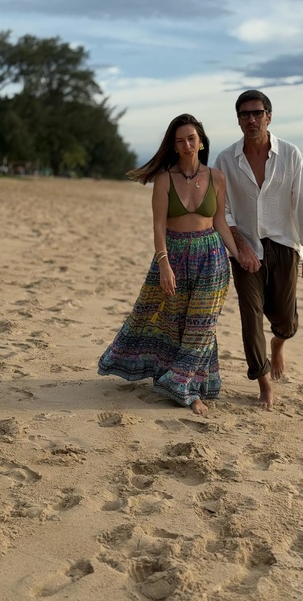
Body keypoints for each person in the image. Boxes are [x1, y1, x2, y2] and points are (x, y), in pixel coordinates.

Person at [98, 113, 240, 415]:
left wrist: (240, 256)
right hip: (173, 254)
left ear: (201, 141)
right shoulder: (164, 179)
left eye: (191, 138)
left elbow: (220, 222)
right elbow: (158, 226)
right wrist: (164, 265)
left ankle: (183, 385)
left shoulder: (217, 177)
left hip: (212, 256)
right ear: (174, 146)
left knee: (202, 324)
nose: (187, 145)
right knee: (172, 322)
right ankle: (183, 381)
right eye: (180, 141)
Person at [214, 90, 303, 411]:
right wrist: (240, 246)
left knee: (285, 320)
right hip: (244, 248)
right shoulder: (225, 160)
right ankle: (264, 384)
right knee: (251, 317)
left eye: (257, 113)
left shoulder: (291, 154)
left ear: (269, 117)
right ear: (238, 120)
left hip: (285, 246)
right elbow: (222, 210)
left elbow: (302, 202)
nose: (251, 119)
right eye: (244, 114)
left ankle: (278, 344)